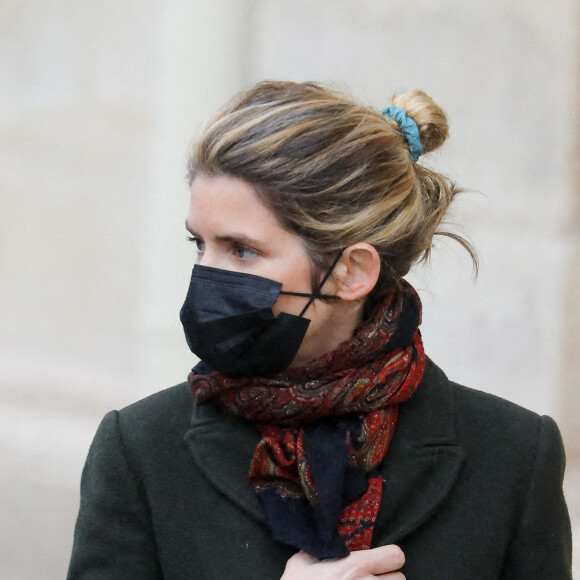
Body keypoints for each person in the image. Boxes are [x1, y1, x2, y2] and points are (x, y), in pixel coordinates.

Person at [67, 81, 572, 579]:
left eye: (242, 250)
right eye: (199, 244)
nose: (207, 275)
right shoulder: (139, 449)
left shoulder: (513, 456)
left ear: (351, 272)